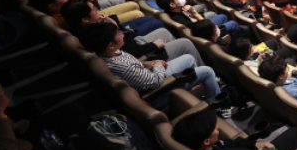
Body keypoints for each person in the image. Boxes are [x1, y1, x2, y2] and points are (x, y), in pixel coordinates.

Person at [78, 22, 223, 104]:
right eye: (119, 34)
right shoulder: (122, 67)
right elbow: (155, 81)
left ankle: (202, 88)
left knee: (189, 58)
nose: (122, 35)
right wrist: (157, 64)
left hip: (149, 74)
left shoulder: (109, 53)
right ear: (110, 45)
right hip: (156, 91)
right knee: (207, 71)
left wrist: (149, 63)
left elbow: (136, 65)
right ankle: (219, 105)